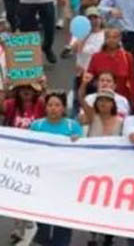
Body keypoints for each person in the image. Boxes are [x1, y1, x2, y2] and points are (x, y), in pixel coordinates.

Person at [29, 92, 82, 246]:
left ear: (64, 108)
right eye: (50, 105)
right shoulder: (36, 126)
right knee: (43, 216)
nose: (53, 108)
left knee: (63, 217)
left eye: (57, 105)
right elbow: (28, 149)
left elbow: (83, 153)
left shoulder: (73, 126)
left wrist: (77, 142)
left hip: (65, 180)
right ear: (45, 108)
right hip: (43, 178)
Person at [86, 27, 134, 105]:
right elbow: (89, 79)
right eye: (108, 37)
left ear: (119, 39)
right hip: (100, 101)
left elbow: (133, 82)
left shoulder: (127, 57)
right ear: (105, 39)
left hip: (122, 101)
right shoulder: (96, 57)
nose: (111, 40)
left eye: (114, 37)